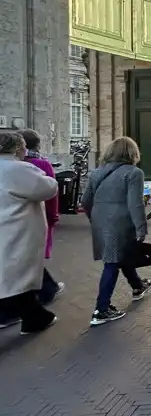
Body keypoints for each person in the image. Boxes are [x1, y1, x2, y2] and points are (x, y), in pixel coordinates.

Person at [81, 136, 151, 327]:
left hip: (99, 220)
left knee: (120, 255)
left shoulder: (97, 173)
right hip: (120, 222)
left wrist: (94, 217)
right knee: (112, 262)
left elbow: (85, 201)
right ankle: (101, 309)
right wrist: (141, 227)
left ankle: (138, 286)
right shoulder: (133, 173)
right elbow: (135, 203)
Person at [0, 130, 59, 334]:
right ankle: (33, 317)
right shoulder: (18, 169)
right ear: (17, 147)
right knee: (17, 276)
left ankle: (29, 315)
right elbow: (48, 188)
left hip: (6, 232)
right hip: (16, 231)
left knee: (9, 276)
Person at [21, 129, 63, 305]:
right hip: (39, 216)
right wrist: (54, 216)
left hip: (16, 218)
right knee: (35, 253)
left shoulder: (13, 164)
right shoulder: (42, 164)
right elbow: (53, 195)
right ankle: (46, 289)